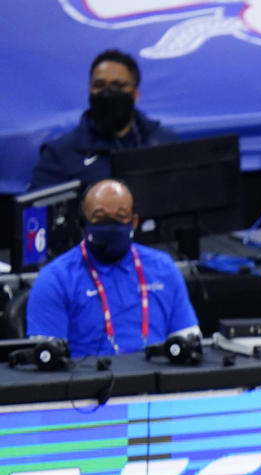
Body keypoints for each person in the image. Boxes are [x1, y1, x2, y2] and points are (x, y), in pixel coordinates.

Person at [26, 179, 200, 358]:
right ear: (82, 224)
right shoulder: (55, 279)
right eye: (99, 218)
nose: (111, 224)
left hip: (157, 380)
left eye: (120, 216)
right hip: (86, 382)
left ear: (134, 222)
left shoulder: (163, 268)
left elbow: (189, 341)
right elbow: (46, 362)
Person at [29, 49, 178, 190]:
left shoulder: (164, 143)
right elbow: (36, 211)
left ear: (135, 93)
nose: (107, 93)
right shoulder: (60, 154)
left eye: (118, 85)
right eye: (99, 85)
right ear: (89, 91)